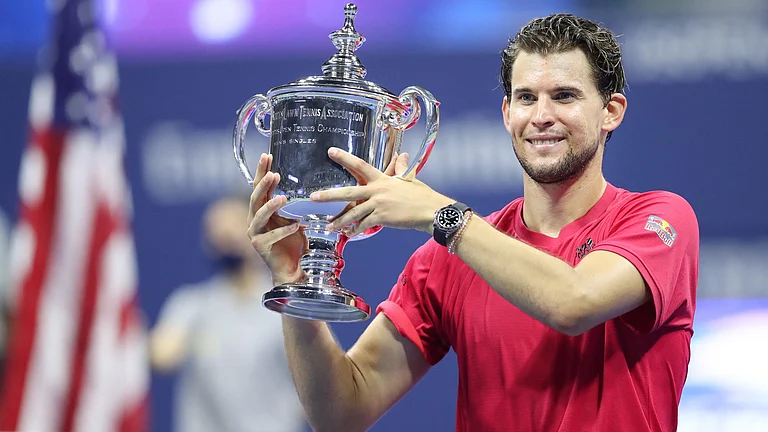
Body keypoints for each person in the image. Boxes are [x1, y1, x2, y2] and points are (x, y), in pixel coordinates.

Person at [246, 13, 699, 432]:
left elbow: (573, 303)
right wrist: (297, 283)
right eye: (526, 98)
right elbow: (341, 412)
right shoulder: (448, 260)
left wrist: (439, 215)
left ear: (611, 112)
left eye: (564, 96)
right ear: (507, 114)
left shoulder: (659, 219)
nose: (541, 116)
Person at [150, 197, 306, 432]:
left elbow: (320, 379)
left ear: (255, 231)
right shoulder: (191, 305)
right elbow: (162, 355)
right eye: (215, 230)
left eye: (232, 227)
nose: (223, 236)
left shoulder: (285, 305)